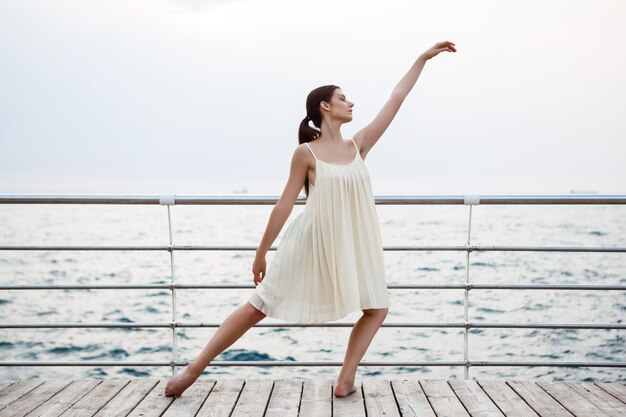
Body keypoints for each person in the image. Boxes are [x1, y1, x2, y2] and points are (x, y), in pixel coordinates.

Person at [164, 40, 457, 398]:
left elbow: (396, 97)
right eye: (344, 98)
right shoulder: (305, 153)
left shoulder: (358, 145)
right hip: (311, 242)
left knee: (377, 307)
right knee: (258, 307)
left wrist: (422, 59)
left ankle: (345, 380)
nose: (351, 104)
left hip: (351, 245)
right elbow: (284, 205)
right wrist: (261, 253)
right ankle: (192, 372)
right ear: (325, 106)